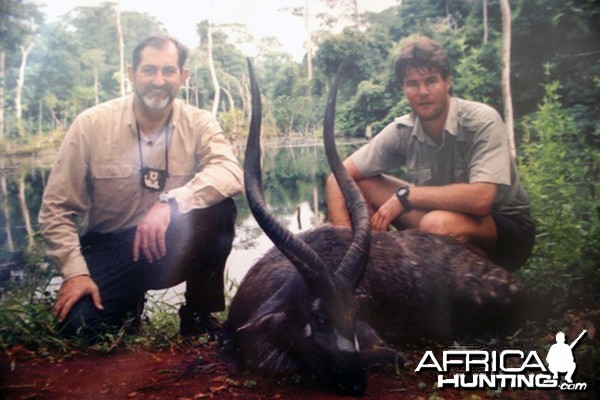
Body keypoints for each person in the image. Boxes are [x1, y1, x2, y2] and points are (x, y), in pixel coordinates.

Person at [39, 35, 243, 340]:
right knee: (80, 329)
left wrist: (171, 202)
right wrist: (75, 272)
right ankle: (127, 305)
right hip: (109, 246)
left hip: (170, 241)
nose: (158, 81)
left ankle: (198, 314)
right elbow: (55, 210)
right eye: (149, 70)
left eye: (168, 71)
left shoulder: (199, 122)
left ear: (182, 76)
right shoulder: (91, 124)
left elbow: (229, 172)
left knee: (219, 209)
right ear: (131, 73)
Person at [326, 36, 534, 271]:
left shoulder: (481, 120)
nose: (422, 91)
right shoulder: (402, 129)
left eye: (431, 81)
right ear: (404, 89)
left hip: (506, 231)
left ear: (447, 82)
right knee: (362, 183)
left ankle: (468, 288)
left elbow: (481, 200)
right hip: (441, 221)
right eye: (412, 83)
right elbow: (338, 177)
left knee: (436, 223)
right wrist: (346, 251)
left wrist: (406, 196)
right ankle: (372, 268)